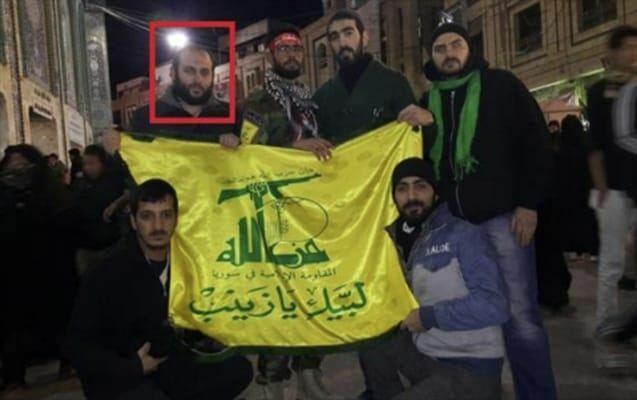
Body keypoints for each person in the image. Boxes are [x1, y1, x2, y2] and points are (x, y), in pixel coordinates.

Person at [397, 22, 556, 400]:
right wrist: (418, 127)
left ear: (469, 49)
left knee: (520, 317)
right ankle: (478, 384)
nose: (449, 53)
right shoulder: (427, 101)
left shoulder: (501, 85)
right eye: (440, 48)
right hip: (451, 223)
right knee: (463, 308)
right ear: (432, 57)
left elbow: (536, 141)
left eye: (456, 44)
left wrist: (528, 203)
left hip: (503, 217)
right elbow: (424, 165)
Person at [222, 23, 341, 400]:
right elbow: (247, 156)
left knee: (314, 293)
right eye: (283, 49)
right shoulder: (258, 102)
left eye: (296, 48)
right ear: (271, 56)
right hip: (273, 216)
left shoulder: (310, 101)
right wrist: (294, 149)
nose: (291, 54)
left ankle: (309, 370)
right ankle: (273, 379)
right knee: (279, 298)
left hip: (311, 213)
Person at [66, 179, 253, 400]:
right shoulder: (106, 271)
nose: (157, 226)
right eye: (147, 216)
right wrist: (133, 367)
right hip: (123, 376)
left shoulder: (186, 265)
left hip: (170, 367)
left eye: (166, 215)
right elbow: (80, 346)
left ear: (176, 219)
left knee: (238, 369)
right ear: (134, 221)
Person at [360, 157, 508, 400]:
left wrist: (429, 317)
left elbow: (494, 306)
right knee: (371, 339)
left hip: (471, 368)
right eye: (402, 189)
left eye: (420, 186)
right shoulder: (397, 238)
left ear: (435, 192)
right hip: (426, 357)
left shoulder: (463, 233)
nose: (412, 196)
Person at [0, 145, 77, 398]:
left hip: (52, 272)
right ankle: (14, 377)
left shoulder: (52, 192)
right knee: (14, 327)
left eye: (23, 166)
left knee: (58, 320)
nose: (17, 172)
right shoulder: (4, 195)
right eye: (12, 167)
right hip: (12, 275)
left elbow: (67, 224)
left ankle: (67, 363)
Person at [587, 26, 637, 345]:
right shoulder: (599, 91)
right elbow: (595, 144)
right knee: (612, 261)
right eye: (628, 47)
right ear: (614, 52)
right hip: (613, 188)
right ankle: (606, 323)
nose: (633, 53)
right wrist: (601, 184)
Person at [312, 9, 415, 144]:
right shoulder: (322, 97)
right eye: (334, 37)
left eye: (348, 33)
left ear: (364, 38)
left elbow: (413, 137)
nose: (342, 43)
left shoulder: (395, 83)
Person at [129, 44, 235, 143]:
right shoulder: (144, 118)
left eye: (205, 72)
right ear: (173, 73)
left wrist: (239, 146)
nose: (198, 79)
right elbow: (132, 155)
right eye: (189, 70)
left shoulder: (234, 117)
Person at [72, 144, 129, 275]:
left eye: (92, 163)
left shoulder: (115, 181)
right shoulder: (80, 184)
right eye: (85, 164)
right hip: (85, 248)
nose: (87, 168)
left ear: (103, 163)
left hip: (112, 246)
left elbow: (130, 195)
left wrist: (116, 204)